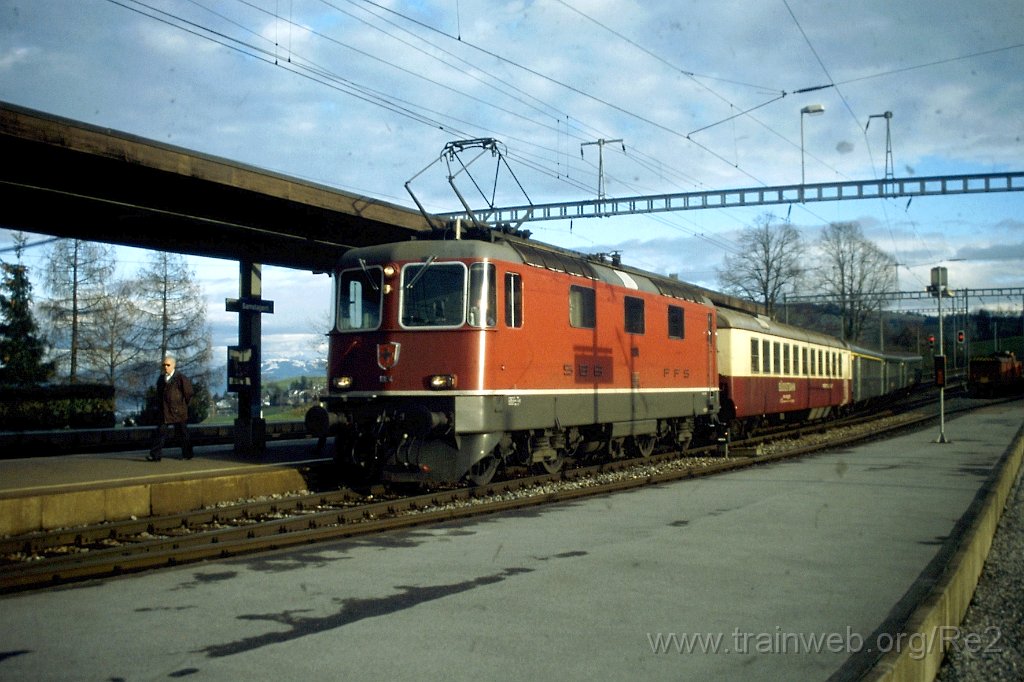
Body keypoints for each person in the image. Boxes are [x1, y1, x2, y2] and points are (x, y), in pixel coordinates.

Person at [148, 355, 194, 461]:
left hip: (178, 411)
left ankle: (187, 454)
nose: (165, 367)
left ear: (173, 365)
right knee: (160, 433)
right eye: (164, 365)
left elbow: (189, 393)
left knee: (182, 433)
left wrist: (182, 406)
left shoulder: (181, 378)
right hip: (165, 411)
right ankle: (155, 455)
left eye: (168, 365)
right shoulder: (161, 379)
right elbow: (159, 394)